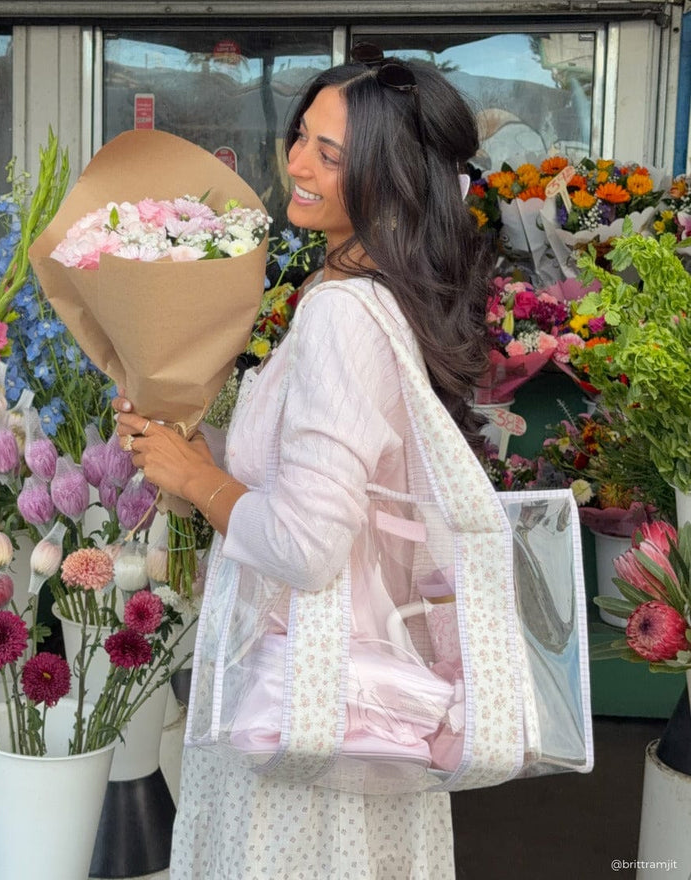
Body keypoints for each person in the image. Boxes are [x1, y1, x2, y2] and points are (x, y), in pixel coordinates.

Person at [114, 44, 492, 880]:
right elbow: (331, 499)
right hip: (351, 706)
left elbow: (307, 544)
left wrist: (195, 479)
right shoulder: (374, 300)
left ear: (389, 175)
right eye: (301, 137)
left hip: (313, 715)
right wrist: (189, 450)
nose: (297, 163)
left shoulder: (343, 319)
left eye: (332, 152)